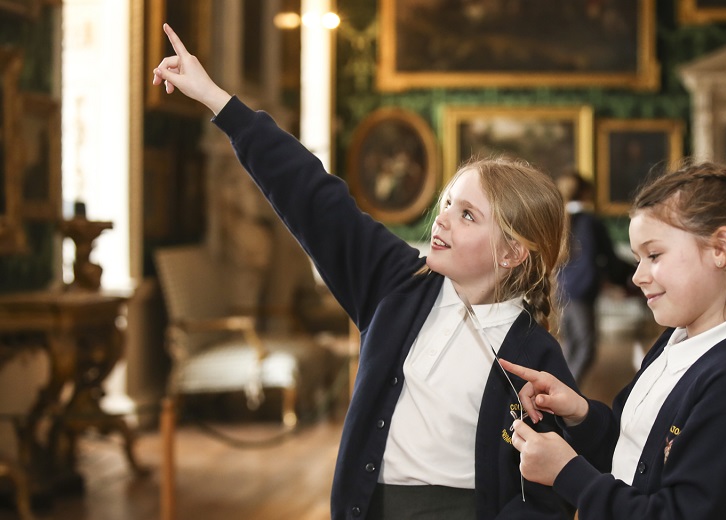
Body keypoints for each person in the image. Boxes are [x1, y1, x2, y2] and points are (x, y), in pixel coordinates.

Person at [152, 23, 579, 520]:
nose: (441, 218)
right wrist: (217, 100)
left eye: (467, 215)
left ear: (512, 254)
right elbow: (312, 194)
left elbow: (547, 497)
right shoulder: (397, 283)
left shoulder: (536, 357)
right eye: (446, 203)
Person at [498, 161, 726, 519]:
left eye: (654, 255)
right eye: (638, 259)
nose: (638, 276)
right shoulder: (674, 341)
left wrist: (567, 473)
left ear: (720, 248)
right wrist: (580, 413)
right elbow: (636, 455)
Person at [554, 170, 633, 382]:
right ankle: (565, 397)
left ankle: (560, 396)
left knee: (570, 346)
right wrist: (625, 279)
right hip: (581, 292)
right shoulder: (590, 222)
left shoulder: (560, 221)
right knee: (586, 347)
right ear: (586, 193)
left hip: (560, 290)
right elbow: (607, 257)